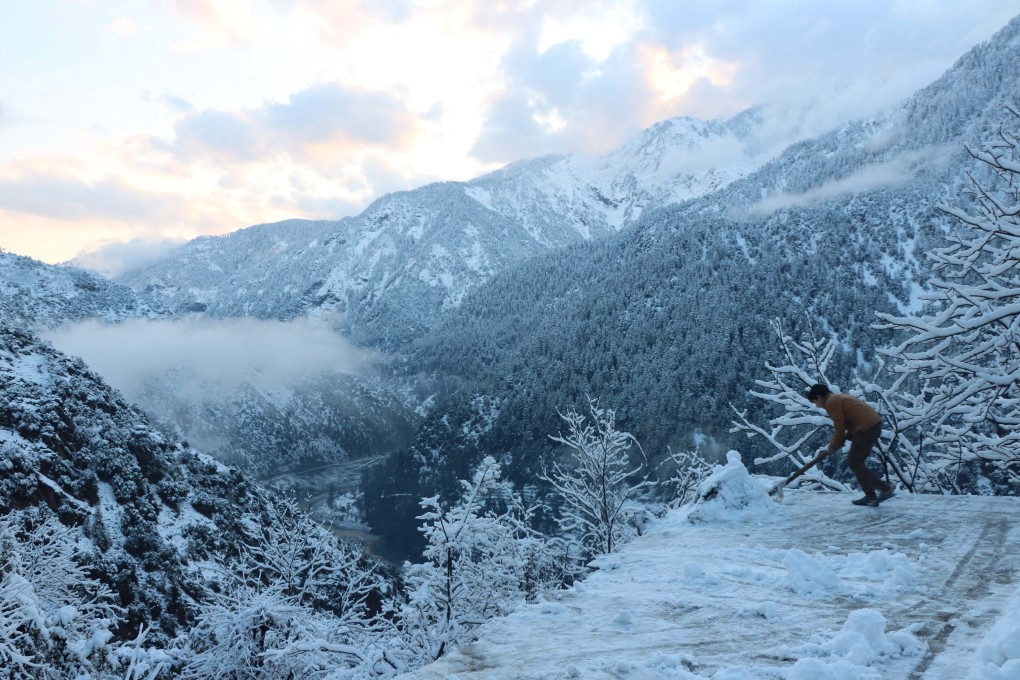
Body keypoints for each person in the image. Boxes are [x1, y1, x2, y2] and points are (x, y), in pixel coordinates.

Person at [806, 384, 895, 507]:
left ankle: (884, 489)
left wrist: (833, 446)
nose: (817, 405)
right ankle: (871, 497)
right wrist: (843, 439)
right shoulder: (838, 398)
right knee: (856, 462)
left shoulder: (832, 402)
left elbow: (839, 428)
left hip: (867, 428)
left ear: (819, 397)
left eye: (815, 402)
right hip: (871, 425)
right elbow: (851, 420)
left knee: (854, 462)